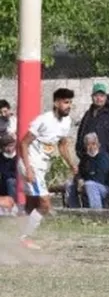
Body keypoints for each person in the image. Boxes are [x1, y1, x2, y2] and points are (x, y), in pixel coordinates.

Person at [17, 88, 77, 249]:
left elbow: (62, 145)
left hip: (41, 167)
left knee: (31, 204)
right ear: (56, 103)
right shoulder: (43, 120)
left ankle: (16, 235)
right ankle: (25, 238)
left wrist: (71, 163)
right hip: (31, 165)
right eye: (66, 102)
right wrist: (28, 168)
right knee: (45, 204)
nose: (69, 106)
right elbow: (24, 143)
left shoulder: (66, 122)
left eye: (70, 102)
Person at [66, 133, 109, 209]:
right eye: (88, 144)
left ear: (98, 145)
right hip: (88, 185)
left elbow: (100, 179)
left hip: (106, 188)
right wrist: (79, 179)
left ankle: (96, 213)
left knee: (90, 184)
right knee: (69, 184)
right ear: (85, 146)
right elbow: (79, 173)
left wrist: (83, 183)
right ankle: (75, 210)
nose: (91, 147)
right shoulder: (84, 159)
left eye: (93, 144)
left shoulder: (104, 158)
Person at [0, 133, 17, 198]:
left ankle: (13, 200)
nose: (9, 149)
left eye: (11, 146)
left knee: (11, 181)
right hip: (4, 185)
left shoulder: (18, 156)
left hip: (17, 183)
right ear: (2, 147)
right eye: (6, 146)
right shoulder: (1, 157)